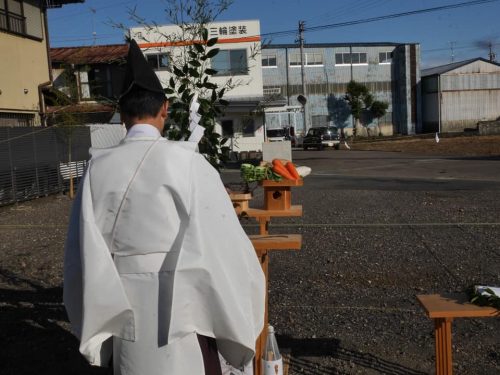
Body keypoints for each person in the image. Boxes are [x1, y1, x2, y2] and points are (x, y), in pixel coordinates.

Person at [63, 40, 265, 375]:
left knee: (133, 363)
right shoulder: (187, 162)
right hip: (184, 299)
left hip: (123, 295)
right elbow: (223, 241)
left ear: (122, 112)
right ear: (165, 109)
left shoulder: (97, 168)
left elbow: (80, 254)